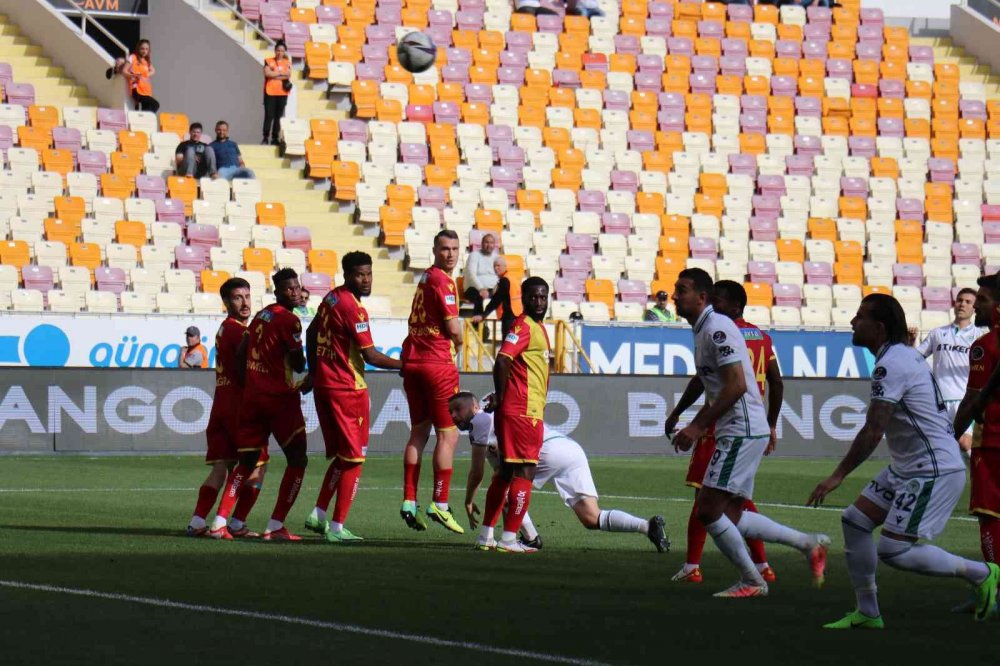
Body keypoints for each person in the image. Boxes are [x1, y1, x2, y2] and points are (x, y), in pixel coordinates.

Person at [808, 294, 999, 629]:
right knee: (854, 522)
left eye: (860, 317)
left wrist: (836, 476)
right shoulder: (901, 355)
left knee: (894, 550)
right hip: (910, 466)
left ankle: (983, 573)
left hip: (932, 468)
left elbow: (873, 428)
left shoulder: (892, 363)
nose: (853, 322)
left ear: (879, 327)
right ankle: (868, 612)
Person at [670, 267, 828, 597]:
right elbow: (716, 388)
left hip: (740, 430)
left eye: (681, 290)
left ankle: (752, 580)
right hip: (742, 428)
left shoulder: (716, 329)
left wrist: (697, 426)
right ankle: (807, 544)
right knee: (731, 512)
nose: (674, 295)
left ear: (701, 297)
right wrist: (687, 418)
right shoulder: (704, 329)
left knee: (708, 511)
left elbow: (738, 386)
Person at [665, 280, 784, 584]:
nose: (713, 306)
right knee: (733, 500)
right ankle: (762, 565)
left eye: (718, 301)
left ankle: (695, 566)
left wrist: (693, 422)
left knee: (706, 498)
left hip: (726, 421)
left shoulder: (719, 329)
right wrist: (771, 424)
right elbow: (776, 381)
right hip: (749, 419)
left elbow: (722, 382)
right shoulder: (762, 336)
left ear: (735, 306)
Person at [450, 392, 669, 552]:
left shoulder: (479, 420)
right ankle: (647, 526)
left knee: (507, 489)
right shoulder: (495, 417)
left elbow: (476, 472)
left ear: (474, 406)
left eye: (457, 409)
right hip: (569, 449)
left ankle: (530, 539)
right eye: (450, 412)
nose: (453, 416)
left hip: (545, 449)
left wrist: (468, 500)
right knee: (591, 517)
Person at [303, 252, 403, 542]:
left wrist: (314, 370)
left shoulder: (332, 298)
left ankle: (319, 514)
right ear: (347, 275)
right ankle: (337, 528)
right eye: (360, 274)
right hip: (347, 388)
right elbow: (369, 355)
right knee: (355, 458)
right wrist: (405, 365)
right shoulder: (353, 309)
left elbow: (311, 333)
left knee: (343, 457)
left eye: (369, 273)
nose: (366, 279)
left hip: (326, 386)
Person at [214, 268, 311, 541]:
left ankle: (219, 523)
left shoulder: (261, 315)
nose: (295, 292)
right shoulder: (290, 320)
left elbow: (243, 353)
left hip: (253, 400)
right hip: (279, 400)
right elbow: (298, 362)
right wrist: (306, 375)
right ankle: (276, 525)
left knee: (246, 461)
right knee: (298, 459)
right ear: (278, 292)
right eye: (289, 289)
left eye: (297, 288)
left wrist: (249, 385)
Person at [186, 278, 269, 539]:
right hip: (238, 408)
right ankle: (230, 523)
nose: (244, 303)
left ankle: (197, 521)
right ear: (226, 302)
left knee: (221, 466)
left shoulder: (224, 330)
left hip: (221, 403)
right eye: (237, 298)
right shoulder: (239, 332)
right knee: (256, 465)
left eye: (247, 296)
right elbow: (250, 371)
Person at [475, 277, 551, 553]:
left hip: (519, 409)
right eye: (534, 297)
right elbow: (502, 359)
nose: (539, 302)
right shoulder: (525, 326)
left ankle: (486, 536)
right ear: (525, 298)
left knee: (506, 472)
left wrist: (502, 396)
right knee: (525, 472)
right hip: (523, 411)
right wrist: (504, 395)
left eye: (543, 297)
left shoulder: (535, 327)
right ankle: (509, 539)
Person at [400, 230, 466, 533]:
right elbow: (453, 328)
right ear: (434, 250)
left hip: (412, 361)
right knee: (448, 436)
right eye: (444, 249)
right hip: (436, 362)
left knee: (419, 432)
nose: (449, 254)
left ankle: (409, 501)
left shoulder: (426, 278)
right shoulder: (444, 280)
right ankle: (439, 504)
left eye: (454, 249)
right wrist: (462, 343)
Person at [955, 272, 1000, 573]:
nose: (977, 307)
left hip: (993, 444)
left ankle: (993, 590)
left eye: (982, 300)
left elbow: (972, 401)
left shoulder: (986, 345)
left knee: (991, 516)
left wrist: (948, 437)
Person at [912, 288, 984, 454]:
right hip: (939, 401)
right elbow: (915, 359)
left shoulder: (979, 336)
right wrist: (911, 343)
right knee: (938, 449)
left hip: (964, 399)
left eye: (968, 302)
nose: (962, 304)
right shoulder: (938, 333)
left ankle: (981, 478)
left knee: (966, 444)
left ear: (974, 308)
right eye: (960, 300)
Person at [472, 256, 514, 339]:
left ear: (505, 267)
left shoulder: (505, 281)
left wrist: (483, 315)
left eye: (498, 266)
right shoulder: (510, 278)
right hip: (515, 316)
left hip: (510, 318)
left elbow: (496, 300)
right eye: (494, 266)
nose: (496, 268)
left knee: (507, 346)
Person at [263, 40, 292, 146]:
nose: (280, 53)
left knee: (278, 116)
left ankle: (275, 137)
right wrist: (280, 73)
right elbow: (267, 73)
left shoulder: (287, 62)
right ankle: (266, 137)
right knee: (269, 115)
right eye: (278, 50)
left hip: (282, 93)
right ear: (275, 51)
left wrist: (274, 73)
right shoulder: (268, 60)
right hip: (270, 92)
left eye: (282, 51)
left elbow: (288, 75)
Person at [463, 233, 499, 317]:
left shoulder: (496, 257)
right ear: (482, 244)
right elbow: (471, 274)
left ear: (494, 245)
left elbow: (499, 275)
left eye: (491, 243)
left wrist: (497, 286)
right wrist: (481, 289)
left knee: (505, 295)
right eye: (486, 242)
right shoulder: (474, 255)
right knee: (479, 297)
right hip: (474, 288)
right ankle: (478, 325)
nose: (489, 245)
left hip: (491, 289)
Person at [122, 39, 158, 113]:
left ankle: (144, 122)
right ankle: (145, 120)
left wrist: (146, 74)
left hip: (146, 90)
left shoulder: (146, 61)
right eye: (142, 48)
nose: (144, 51)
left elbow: (153, 71)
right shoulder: (133, 57)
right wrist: (133, 75)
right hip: (136, 89)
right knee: (155, 104)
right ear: (138, 48)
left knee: (147, 108)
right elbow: (124, 71)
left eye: (146, 49)